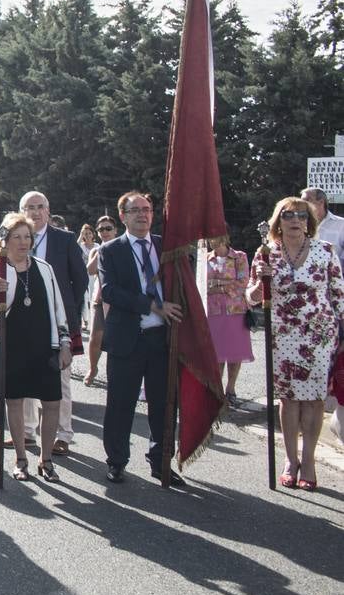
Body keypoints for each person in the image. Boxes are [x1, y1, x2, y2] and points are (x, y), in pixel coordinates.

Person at [248, 197, 344, 490]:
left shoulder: (325, 251)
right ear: (279, 220)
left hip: (318, 336)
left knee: (314, 401)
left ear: (309, 221)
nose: (295, 220)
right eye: (288, 215)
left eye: (302, 215)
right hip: (283, 336)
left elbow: (339, 296)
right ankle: (291, 460)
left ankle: (309, 460)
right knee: (288, 400)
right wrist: (259, 282)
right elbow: (251, 299)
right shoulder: (266, 253)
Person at [98, 190, 185, 486]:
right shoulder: (110, 250)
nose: (142, 215)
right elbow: (109, 291)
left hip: (162, 339)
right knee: (120, 404)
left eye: (146, 209)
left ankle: (161, 462)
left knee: (163, 405)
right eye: (135, 210)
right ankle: (117, 461)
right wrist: (151, 305)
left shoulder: (166, 247)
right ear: (122, 216)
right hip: (127, 338)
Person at [0, 213, 71, 481]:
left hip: (45, 345)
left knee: (52, 402)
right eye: (16, 237)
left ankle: (46, 459)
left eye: (27, 236)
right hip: (11, 346)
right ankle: (21, 459)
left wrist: (64, 343)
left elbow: (58, 309)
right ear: (4, 242)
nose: (22, 242)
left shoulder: (44, 268)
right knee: (15, 401)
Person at [18, 191, 88, 455]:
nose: (35, 212)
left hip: (58, 321)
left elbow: (80, 281)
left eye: (39, 207)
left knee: (61, 380)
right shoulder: (14, 237)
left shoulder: (66, 240)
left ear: (48, 210)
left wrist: (67, 308)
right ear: (21, 210)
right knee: (23, 377)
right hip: (24, 320)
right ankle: (25, 432)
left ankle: (63, 434)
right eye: (29, 207)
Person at [206, 236, 253, 406]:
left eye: (216, 235)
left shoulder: (239, 257)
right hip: (213, 312)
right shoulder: (205, 258)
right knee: (216, 353)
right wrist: (225, 284)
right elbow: (203, 285)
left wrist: (217, 285)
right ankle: (217, 390)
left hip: (236, 311)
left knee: (235, 353)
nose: (213, 239)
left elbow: (243, 282)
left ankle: (231, 388)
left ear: (225, 236)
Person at [83, 216, 118, 386]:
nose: (105, 232)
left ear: (115, 230)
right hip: (100, 297)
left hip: (118, 299)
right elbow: (90, 270)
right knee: (95, 336)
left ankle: (115, 371)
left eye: (108, 228)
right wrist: (102, 250)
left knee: (116, 338)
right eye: (101, 229)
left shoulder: (122, 247)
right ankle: (93, 367)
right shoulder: (96, 250)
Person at [301, 187, 344, 270]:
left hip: (335, 278)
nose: (303, 204)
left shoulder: (341, 224)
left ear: (321, 202)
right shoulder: (297, 225)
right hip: (303, 277)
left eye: (307, 200)